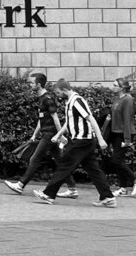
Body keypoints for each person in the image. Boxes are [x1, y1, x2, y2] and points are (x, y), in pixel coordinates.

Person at [32, 79, 116, 208]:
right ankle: (108, 197)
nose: (57, 95)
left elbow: (91, 118)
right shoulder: (70, 102)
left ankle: (48, 194)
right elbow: (69, 123)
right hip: (84, 141)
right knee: (93, 170)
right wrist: (58, 135)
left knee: (64, 165)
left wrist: (100, 138)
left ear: (65, 90)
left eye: (58, 92)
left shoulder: (77, 101)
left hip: (81, 140)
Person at [4, 73, 78, 198]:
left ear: (38, 84)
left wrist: (60, 135)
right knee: (61, 162)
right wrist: (34, 134)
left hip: (50, 135)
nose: (29, 85)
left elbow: (55, 118)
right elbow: (41, 119)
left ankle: (20, 185)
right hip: (47, 133)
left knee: (35, 159)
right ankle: (72, 189)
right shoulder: (42, 98)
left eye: (31, 83)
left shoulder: (48, 98)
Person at [103, 78, 136, 197]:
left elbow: (127, 120)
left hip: (124, 133)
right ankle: (123, 188)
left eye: (115, 85)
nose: (113, 87)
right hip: (115, 133)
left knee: (117, 160)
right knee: (118, 161)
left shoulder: (128, 100)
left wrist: (127, 140)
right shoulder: (117, 98)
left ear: (122, 87)